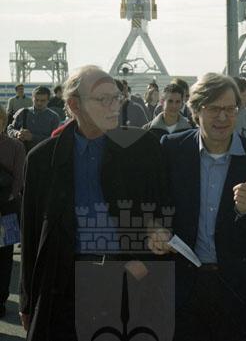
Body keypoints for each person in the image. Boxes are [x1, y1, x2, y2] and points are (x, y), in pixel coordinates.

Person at [19, 66, 172, 340]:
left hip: (128, 282)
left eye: (116, 97)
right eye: (103, 99)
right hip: (63, 285)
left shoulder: (143, 148)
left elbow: (163, 211)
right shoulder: (42, 160)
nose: (114, 106)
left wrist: (145, 259)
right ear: (73, 105)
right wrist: (27, 301)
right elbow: (31, 234)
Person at [160, 73, 246, 341]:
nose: (223, 117)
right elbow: (157, 203)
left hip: (237, 291)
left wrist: (245, 211)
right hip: (183, 289)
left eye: (230, 109)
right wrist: (154, 229)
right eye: (214, 109)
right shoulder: (173, 149)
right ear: (196, 111)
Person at [0, 105, 25, 318]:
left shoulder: (16, 146)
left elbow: (19, 180)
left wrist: (7, 198)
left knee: (5, 257)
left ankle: (0, 299)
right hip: (6, 206)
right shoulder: (15, 145)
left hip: (7, 208)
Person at [7, 86, 60, 152]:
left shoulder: (54, 117)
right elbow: (10, 129)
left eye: (43, 101)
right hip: (23, 153)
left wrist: (32, 137)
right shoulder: (23, 112)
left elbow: (55, 140)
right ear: (32, 99)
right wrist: (17, 133)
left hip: (44, 154)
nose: (39, 103)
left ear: (48, 100)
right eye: (36, 100)